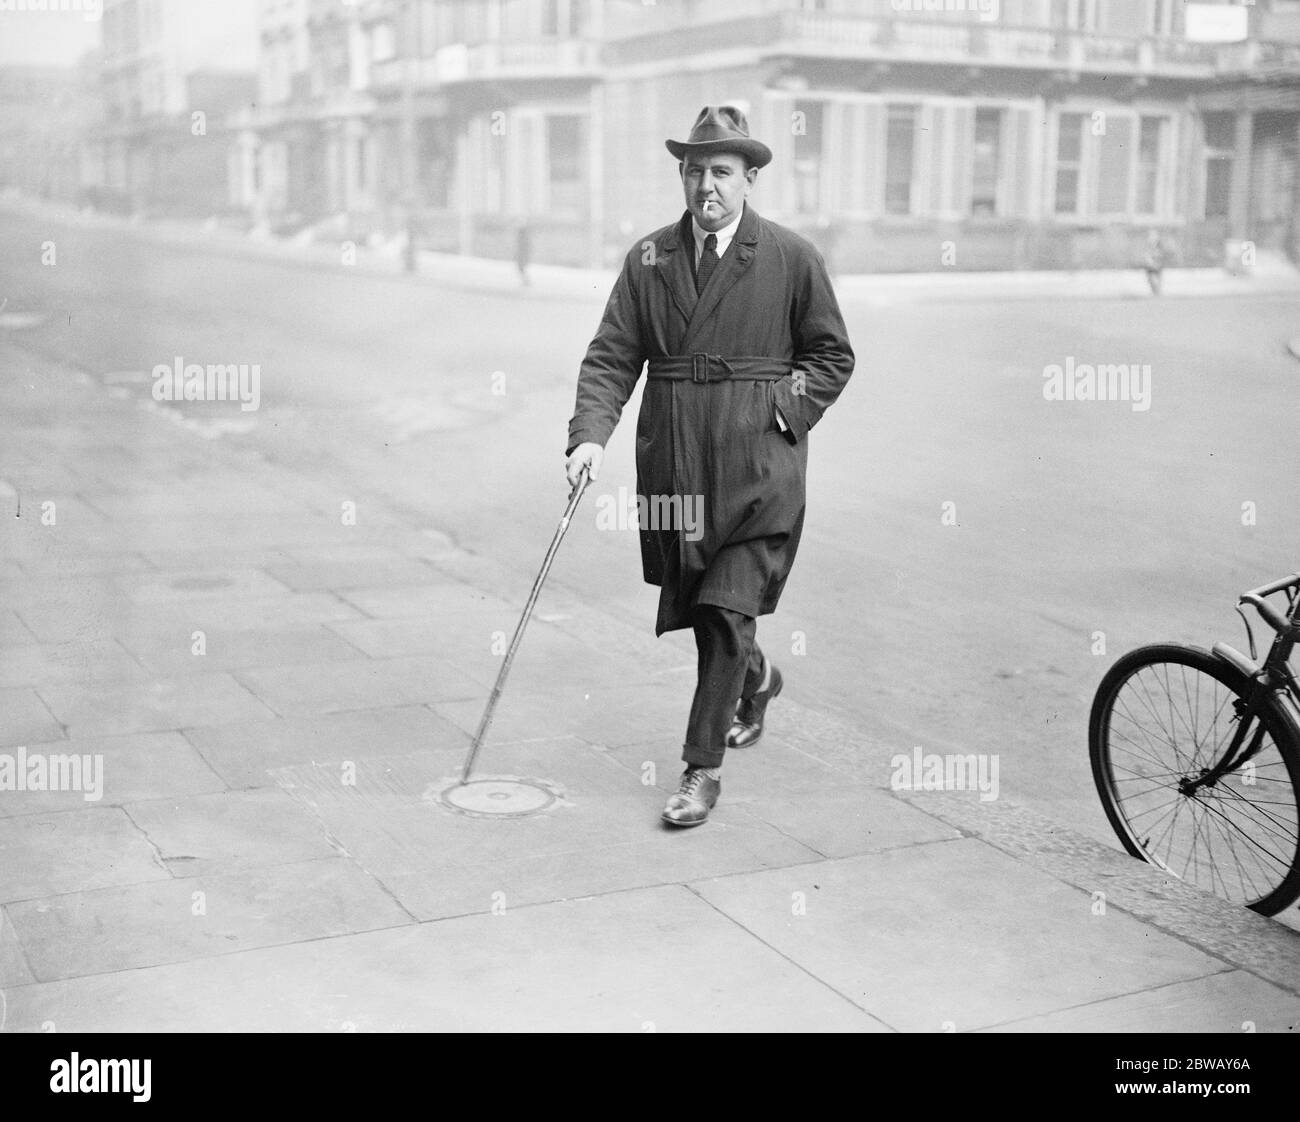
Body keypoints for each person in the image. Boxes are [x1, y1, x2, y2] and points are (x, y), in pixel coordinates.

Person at [564, 105, 855, 827]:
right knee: (702, 604)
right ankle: (754, 679)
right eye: (693, 171)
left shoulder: (790, 257)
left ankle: (700, 771)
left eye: (720, 172)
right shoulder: (650, 259)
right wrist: (589, 435)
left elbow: (831, 355)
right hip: (674, 463)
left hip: (759, 469)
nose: (705, 187)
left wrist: (783, 415)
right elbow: (612, 354)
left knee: (727, 610)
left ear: (749, 177)